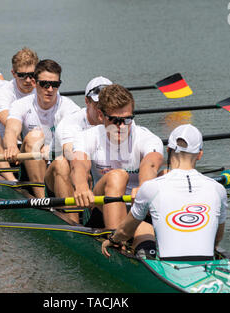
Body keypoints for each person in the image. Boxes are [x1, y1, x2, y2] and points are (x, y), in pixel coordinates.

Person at [101, 124, 227, 260]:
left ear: (168, 150)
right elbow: (218, 237)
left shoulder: (151, 187)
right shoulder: (218, 189)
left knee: (143, 226)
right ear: (200, 154)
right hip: (207, 264)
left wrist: (112, 240)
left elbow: (125, 231)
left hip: (168, 266)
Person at [70, 84, 164, 254]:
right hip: (102, 205)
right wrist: (82, 187)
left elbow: (150, 163)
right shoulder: (88, 137)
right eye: (115, 120)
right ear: (101, 116)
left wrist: (144, 187)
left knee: (169, 175)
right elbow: (79, 164)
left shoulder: (147, 138)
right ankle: (116, 243)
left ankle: (146, 245)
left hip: (139, 207)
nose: (121, 126)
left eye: (127, 120)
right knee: (117, 176)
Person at [3, 59, 81, 197]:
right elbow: (11, 129)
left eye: (55, 85)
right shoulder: (20, 105)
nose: (50, 90)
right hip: (29, 166)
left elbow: (76, 141)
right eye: (45, 84)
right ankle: (42, 199)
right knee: (35, 137)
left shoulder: (70, 108)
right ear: (34, 83)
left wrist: (52, 149)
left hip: (57, 167)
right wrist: (11, 146)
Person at [44, 76, 113, 222]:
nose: (103, 110)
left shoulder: (120, 121)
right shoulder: (70, 123)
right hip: (59, 179)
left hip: (95, 181)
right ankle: (73, 223)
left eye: (107, 105)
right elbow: (71, 154)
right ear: (87, 101)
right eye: (98, 104)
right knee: (63, 163)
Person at [0, 47, 39, 181]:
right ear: (13, 73)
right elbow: (10, 122)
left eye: (31, 75)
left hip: (35, 145)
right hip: (8, 150)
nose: (27, 80)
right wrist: (12, 145)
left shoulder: (45, 89)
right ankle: (10, 180)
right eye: (22, 75)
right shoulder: (2, 93)